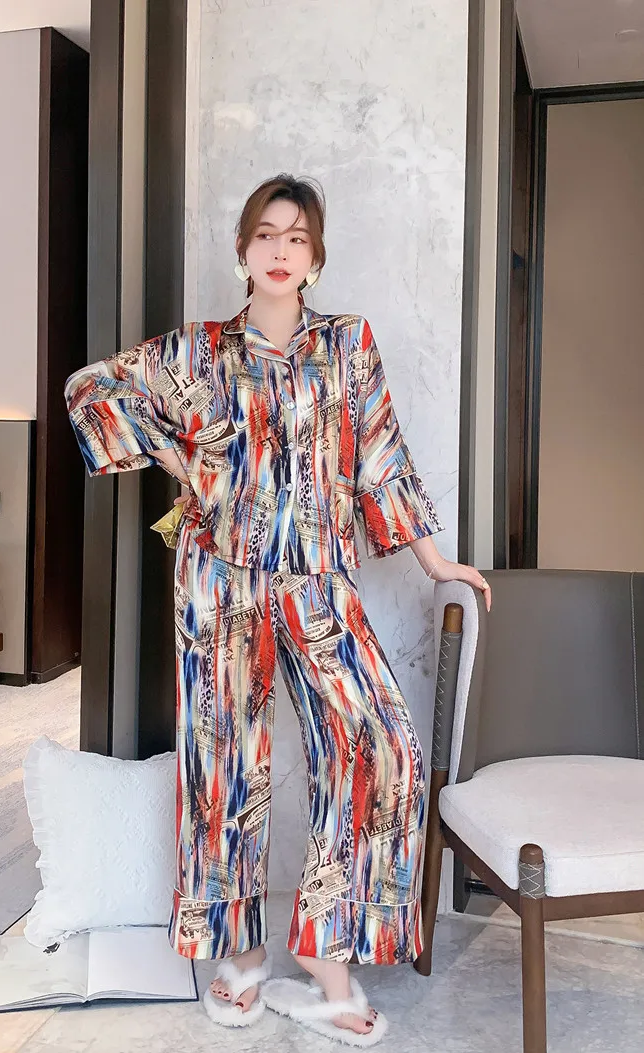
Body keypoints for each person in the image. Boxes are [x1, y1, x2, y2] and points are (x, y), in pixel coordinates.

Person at [65, 174, 491, 1045]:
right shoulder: (197, 351)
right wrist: (175, 457)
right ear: (243, 249)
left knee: (381, 745)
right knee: (224, 764)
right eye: (267, 233)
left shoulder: (347, 344)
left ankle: (327, 956)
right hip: (217, 582)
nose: (281, 249)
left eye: (298, 237)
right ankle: (240, 956)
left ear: (315, 255)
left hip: (318, 580)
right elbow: (90, 388)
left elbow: (380, 456)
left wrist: (434, 559)